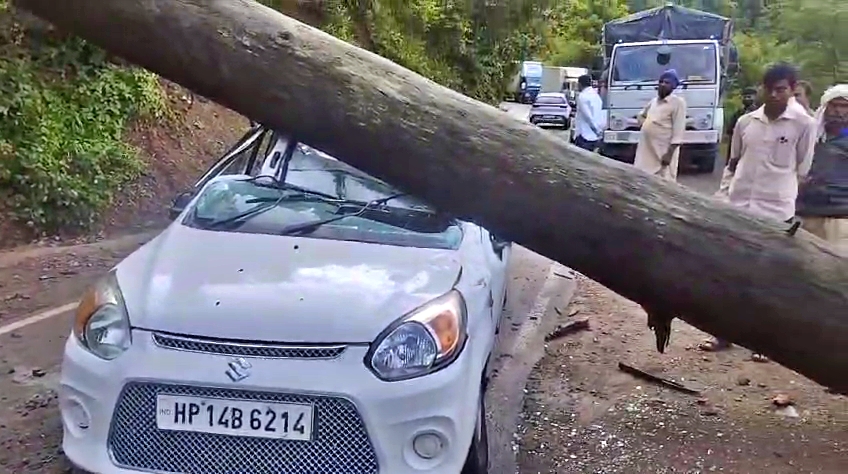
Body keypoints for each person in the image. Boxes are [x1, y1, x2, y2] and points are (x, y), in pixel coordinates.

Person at [701, 63, 817, 358]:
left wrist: (792, 207)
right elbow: (733, 163)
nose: (776, 95)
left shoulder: (804, 125)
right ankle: (723, 334)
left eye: (782, 89)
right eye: (771, 89)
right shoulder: (746, 123)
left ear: (792, 90)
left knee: (767, 280)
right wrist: (724, 197)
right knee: (730, 274)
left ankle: (763, 344)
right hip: (739, 207)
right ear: (763, 90)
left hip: (776, 212)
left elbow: (802, 171)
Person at [796, 84, 848, 251]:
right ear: (825, 108)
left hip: (841, 217)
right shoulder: (811, 134)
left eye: (844, 106)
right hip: (807, 213)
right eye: (834, 105)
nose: (838, 111)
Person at [634, 69, 687, 181]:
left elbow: (678, 132)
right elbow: (641, 116)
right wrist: (647, 126)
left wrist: (669, 154)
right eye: (661, 82)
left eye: (667, 83)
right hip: (647, 149)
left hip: (662, 152)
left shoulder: (678, 103)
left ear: (673, 86)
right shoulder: (654, 101)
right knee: (642, 179)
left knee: (663, 182)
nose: (662, 85)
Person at [573, 74, 605, 152]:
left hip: (584, 136)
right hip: (595, 137)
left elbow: (588, 117)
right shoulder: (596, 96)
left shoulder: (582, 96)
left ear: (580, 84)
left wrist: (596, 130)